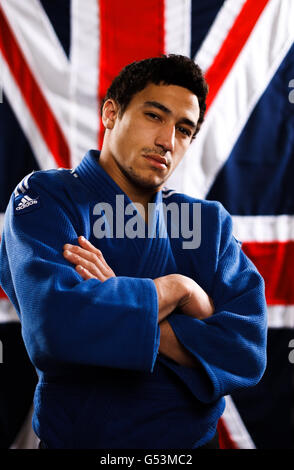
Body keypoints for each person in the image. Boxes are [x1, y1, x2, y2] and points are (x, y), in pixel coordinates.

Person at [0, 55, 267, 449]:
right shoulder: (46, 198)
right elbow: (54, 326)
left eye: (183, 129)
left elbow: (246, 350)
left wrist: (118, 304)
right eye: (154, 116)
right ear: (111, 113)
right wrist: (177, 291)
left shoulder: (208, 223)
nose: (167, 141)